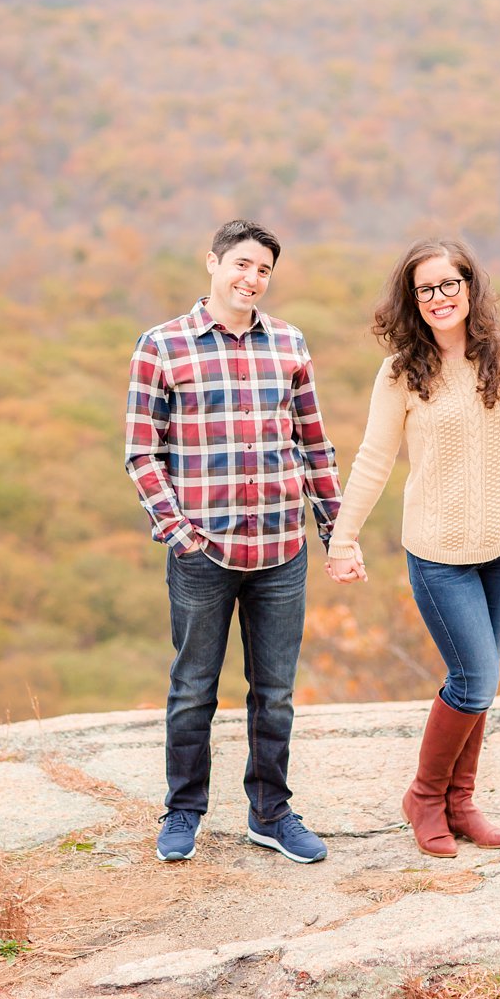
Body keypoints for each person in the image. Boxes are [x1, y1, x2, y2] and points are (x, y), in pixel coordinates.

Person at [324, 238, 500, 858]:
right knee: (474, 678)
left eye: (447, 284)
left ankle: (461, 803)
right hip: (439, 556)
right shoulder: (401, 372)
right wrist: (342, 537)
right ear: (412, 301)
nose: (438, 298)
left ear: (469, 286)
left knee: (481, 682)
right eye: (424, 289)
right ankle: (425, 798)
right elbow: (374, 458)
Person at [126, 218, 341, 866]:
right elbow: (142, 454)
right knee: (194, 686)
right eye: (242, 264)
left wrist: (336, 531)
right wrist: (180, 534)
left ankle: (270, 811)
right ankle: (184, 808)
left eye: (264, 270)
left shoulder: (290, 344)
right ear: (213, 263)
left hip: (282, 549)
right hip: (203, 553)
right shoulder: (162, 346)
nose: (252, 278)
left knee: (274, 690)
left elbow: (314, 445)